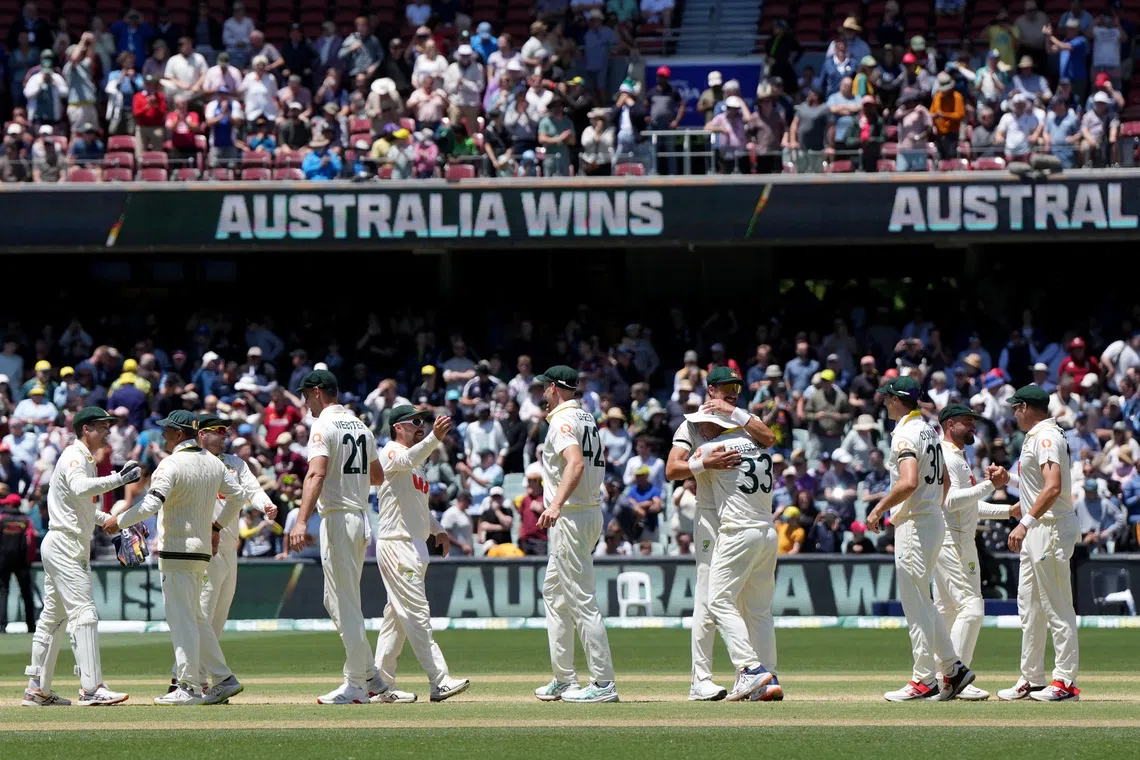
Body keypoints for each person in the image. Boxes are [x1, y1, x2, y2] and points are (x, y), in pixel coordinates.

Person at [666, 366, 777, 701]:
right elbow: (673, 468)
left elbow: (770, 438)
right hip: (711, 517)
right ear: (710, 389)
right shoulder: (692, 423)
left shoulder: (742, 423)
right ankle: (700, 679)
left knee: (748, 604)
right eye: (726, 388)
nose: (732, 393)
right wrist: (704, 465)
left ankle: (763, 674)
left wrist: (735, 413)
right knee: (707, 598)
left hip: (738, 517)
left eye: (736, 389)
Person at [865, 377, 974, 702]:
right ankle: (953, 669)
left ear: (898, 400)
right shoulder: (928, 428)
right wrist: (932, 508)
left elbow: (910, 480)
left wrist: (878, 509)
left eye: (887, 398)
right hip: (930, 520)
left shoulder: (905, 433)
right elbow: (941, 480)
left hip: (914, 524)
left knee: (916, 605)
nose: (884, 403)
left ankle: (923, 680)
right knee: (923, 603)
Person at [286, 370, 390, 705]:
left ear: (318, 392)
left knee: (344, 603)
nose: (305, 402)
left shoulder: (323, 425)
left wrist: (301, 521)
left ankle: (357, 684)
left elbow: (316, 472)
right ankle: (371, 676)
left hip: (339, 518)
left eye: (305, 395)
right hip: (360, 517)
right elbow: (376, 476)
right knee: (337, 601)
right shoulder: (360, 424)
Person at [21, 408, 136, 707]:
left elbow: (80, 506)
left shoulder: (84, 460)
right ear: (86, 429)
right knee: (84, 613)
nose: (108, 432)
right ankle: (91, 688)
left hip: (64, 540)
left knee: (53, 619)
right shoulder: (75, 457)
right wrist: (118, 478)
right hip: (66, 545)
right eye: (102, 426)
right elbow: (78, 487)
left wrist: (110, 522)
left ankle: (37, 689)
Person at [161, 413, 276, 694]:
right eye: (218, 431)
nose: (224, 436)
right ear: (201, 434)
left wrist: (266, 504)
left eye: (226, 431)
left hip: (228, 546)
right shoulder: (197, 463)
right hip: (203, 547)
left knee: (216, 619)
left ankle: (195, 679)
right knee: (200, 615)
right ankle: (190, 679)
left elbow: (251, 489)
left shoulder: (235, 463)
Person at [532, 365, 617, 704]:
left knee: (581, 599)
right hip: (586, 511)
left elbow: (576, 463)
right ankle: (564, 678)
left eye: (544, 388)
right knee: (554, 593)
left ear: (554, 387)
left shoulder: (562, 421)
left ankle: (603, 683)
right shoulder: (586, 417)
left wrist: (554, 504)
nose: (541, 393)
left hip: (571, 515)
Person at [372, 405, 470, 703]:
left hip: (414, 544)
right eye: (415, 422)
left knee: (396, 620)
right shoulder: (389, 451)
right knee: (416, 613)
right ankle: (439, 681)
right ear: (397, 426)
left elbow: (418, 506)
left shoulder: (417, 464)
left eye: (423, 422)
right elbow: (407, 456)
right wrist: (434, 440)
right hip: (397, 544)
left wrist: (438, 529)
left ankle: (378, 686)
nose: (421, 426)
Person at [997, 385, 1080, 702]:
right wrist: (1010, 481)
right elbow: (1037, 485)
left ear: (1025, 407)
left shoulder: (1046, 437)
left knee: (1057, 606)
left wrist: (1024, 523)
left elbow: (1053, 487)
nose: (1014, 414)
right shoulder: (1038, 437)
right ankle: (1032, 678)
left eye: (1015, 408)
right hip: (1040, 529)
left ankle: (1065, 682)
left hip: (1050, 528)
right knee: (1030, 608)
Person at [936, 404, 1018, 701]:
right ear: (949, 424)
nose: (973, 427)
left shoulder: (958, 456)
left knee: (947, 612)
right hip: (953, 540)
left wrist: (1008, 510)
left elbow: (970, 505)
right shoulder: (946, 455)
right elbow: (951, 502)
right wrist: (989, 485)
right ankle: (954, 677)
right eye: (967, 422)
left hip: (957, 537)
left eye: (974, 422)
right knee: (971, 609)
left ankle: (940, 677)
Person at [0, 494, 35, 636]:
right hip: (21, 562)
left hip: (2, 561)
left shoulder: (1, 519)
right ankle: (31, 626)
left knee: (2, 592)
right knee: (26, 593)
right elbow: (31, 541)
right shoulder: (26, 520)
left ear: (10, 505)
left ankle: (1, 626)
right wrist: (29, 561)